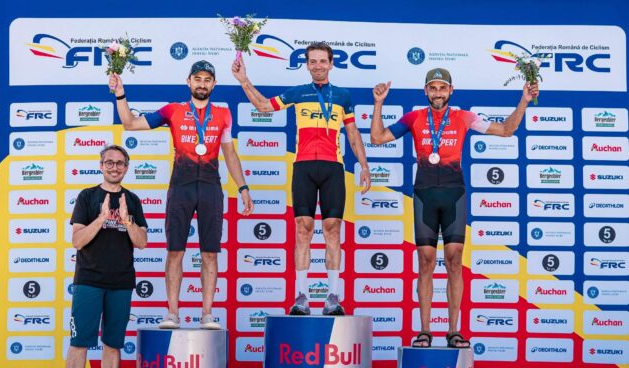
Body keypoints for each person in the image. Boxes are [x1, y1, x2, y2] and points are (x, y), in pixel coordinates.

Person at [370, 68, 538, 348]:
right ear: (426, 91)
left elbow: (506, 130)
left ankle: (453, 330)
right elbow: (377, 138)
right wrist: (378, 104)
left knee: (454, 261)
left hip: (454, 195)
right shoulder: (414, 118)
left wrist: (524, 101)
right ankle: (424, 331)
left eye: (442, 88)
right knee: (425, 262)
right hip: (424, 195)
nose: (438, 93)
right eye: (433, 88)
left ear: (451, 91)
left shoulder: (464, 117)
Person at [109, 60, 253, 330]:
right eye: (197, 78)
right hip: (181, 187)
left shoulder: (223, 114)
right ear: (189, 82)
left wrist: (243, 187)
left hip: (210, 188)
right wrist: (120, 94)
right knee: (175, 251)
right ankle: (172, 313)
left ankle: (207, 314)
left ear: (214, 84)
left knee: (210, 253)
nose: (202, 84)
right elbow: (129, 124)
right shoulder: (173, 110)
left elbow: (230, 153)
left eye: (207, 79)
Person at [232, 42, 371, 316]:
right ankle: (301, 297)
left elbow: (353, 133)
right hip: (304, 166)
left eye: (323, 61)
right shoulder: (298, 92)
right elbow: (263, 106)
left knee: (333, 229)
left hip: (333, 167)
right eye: (313, 61)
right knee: (303, 229)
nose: (318, 65)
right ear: (307, 65)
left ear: (331, 64)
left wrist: (364, 165)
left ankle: (333, 297)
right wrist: (243, 80)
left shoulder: (343, 96)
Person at [50, 145, 148, 368]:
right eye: (109, 162)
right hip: (89, 281)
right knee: (79, 342)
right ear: (101, 165)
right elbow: (77, 241)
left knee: (113, 343)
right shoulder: (87, 196)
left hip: (121, 282)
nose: (114, 167)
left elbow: (141, 242)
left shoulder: (132, 200)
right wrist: (102, 218)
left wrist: (126, 219)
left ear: (126, 167)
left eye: (120, 163)